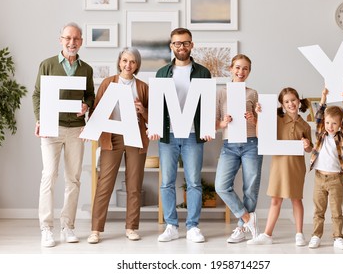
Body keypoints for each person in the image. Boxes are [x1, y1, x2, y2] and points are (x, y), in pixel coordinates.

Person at [32, 22, 95, 247]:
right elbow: (37, 94)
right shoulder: (47, 65)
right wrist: (40, 118)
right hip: (51, 128)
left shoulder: (86, 69)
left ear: (81, 42)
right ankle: (46, 228)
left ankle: (68, 226)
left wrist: (87, 106)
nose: (72, 43)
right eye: (68, 38)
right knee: (49, 176)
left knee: (74, 180)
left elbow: (90, 95)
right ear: (61, 40)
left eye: (76, 39)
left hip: (76, 129)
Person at [149, 27, 212, 243]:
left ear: (191, 45)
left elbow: (207, 104)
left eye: (185, 43)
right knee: (167, 182)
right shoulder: (162, 73)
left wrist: (207, 128)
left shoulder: (203, 72)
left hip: (193, 135)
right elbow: (157, 104)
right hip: (169, 135)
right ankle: (171, 226)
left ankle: (193, 226)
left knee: (194, 182)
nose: (181, 47)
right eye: (177, 43)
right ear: (171, 46)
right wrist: (155, 126)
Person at [87, 47, 149, 244]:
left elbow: (152, 118)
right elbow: (96, 110)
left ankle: (131, 227)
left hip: (135, 138)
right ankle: (96, 230)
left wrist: (143, 110)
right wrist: (91, 131)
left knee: (134, 185)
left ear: (137, 65)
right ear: (119, 62)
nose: (127, 65)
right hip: (112, 138)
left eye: (132, 61)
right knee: (104, 184)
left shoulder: (143, 87)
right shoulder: (108, 83)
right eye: (124, 60)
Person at [248, 87, 313, 246]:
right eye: (286, 101)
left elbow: (310, 149)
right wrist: (260, 116)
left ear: (298, 101)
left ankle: (299, 234)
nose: (291, 103)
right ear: (282, 105)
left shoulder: (305, 125)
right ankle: (267, 235)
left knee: (296, 199)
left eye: (293, 100)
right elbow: (260, 135)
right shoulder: (276, 119)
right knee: (275, 200)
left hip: (296, 166)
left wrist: (307, 144)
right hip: (279, 165)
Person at [214, 54, 262, 243]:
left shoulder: (253, 93)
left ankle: (241, 229)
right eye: (238, 67)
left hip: (251, 144)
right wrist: (223, 123)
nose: (241, 72)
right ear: (231, 68)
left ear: (249, 72)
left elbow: (260, 125)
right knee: (221, 186)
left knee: (250, 188)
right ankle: (248, 219)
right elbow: (214, 123)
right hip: (230, 145)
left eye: (245, 69)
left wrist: (254, 119)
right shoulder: (221, 92)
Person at [308, 88, 343, 250]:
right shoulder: (321, 135)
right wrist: (323, 98)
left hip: (335, 179)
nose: (330, 126)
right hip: (320, 178)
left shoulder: (342, 137)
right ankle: (316, 236)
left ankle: (338, 237)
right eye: (328, 123)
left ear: (340, 125)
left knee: (336, 211)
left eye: (334, 123)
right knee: (318, 210)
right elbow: (319, 117)